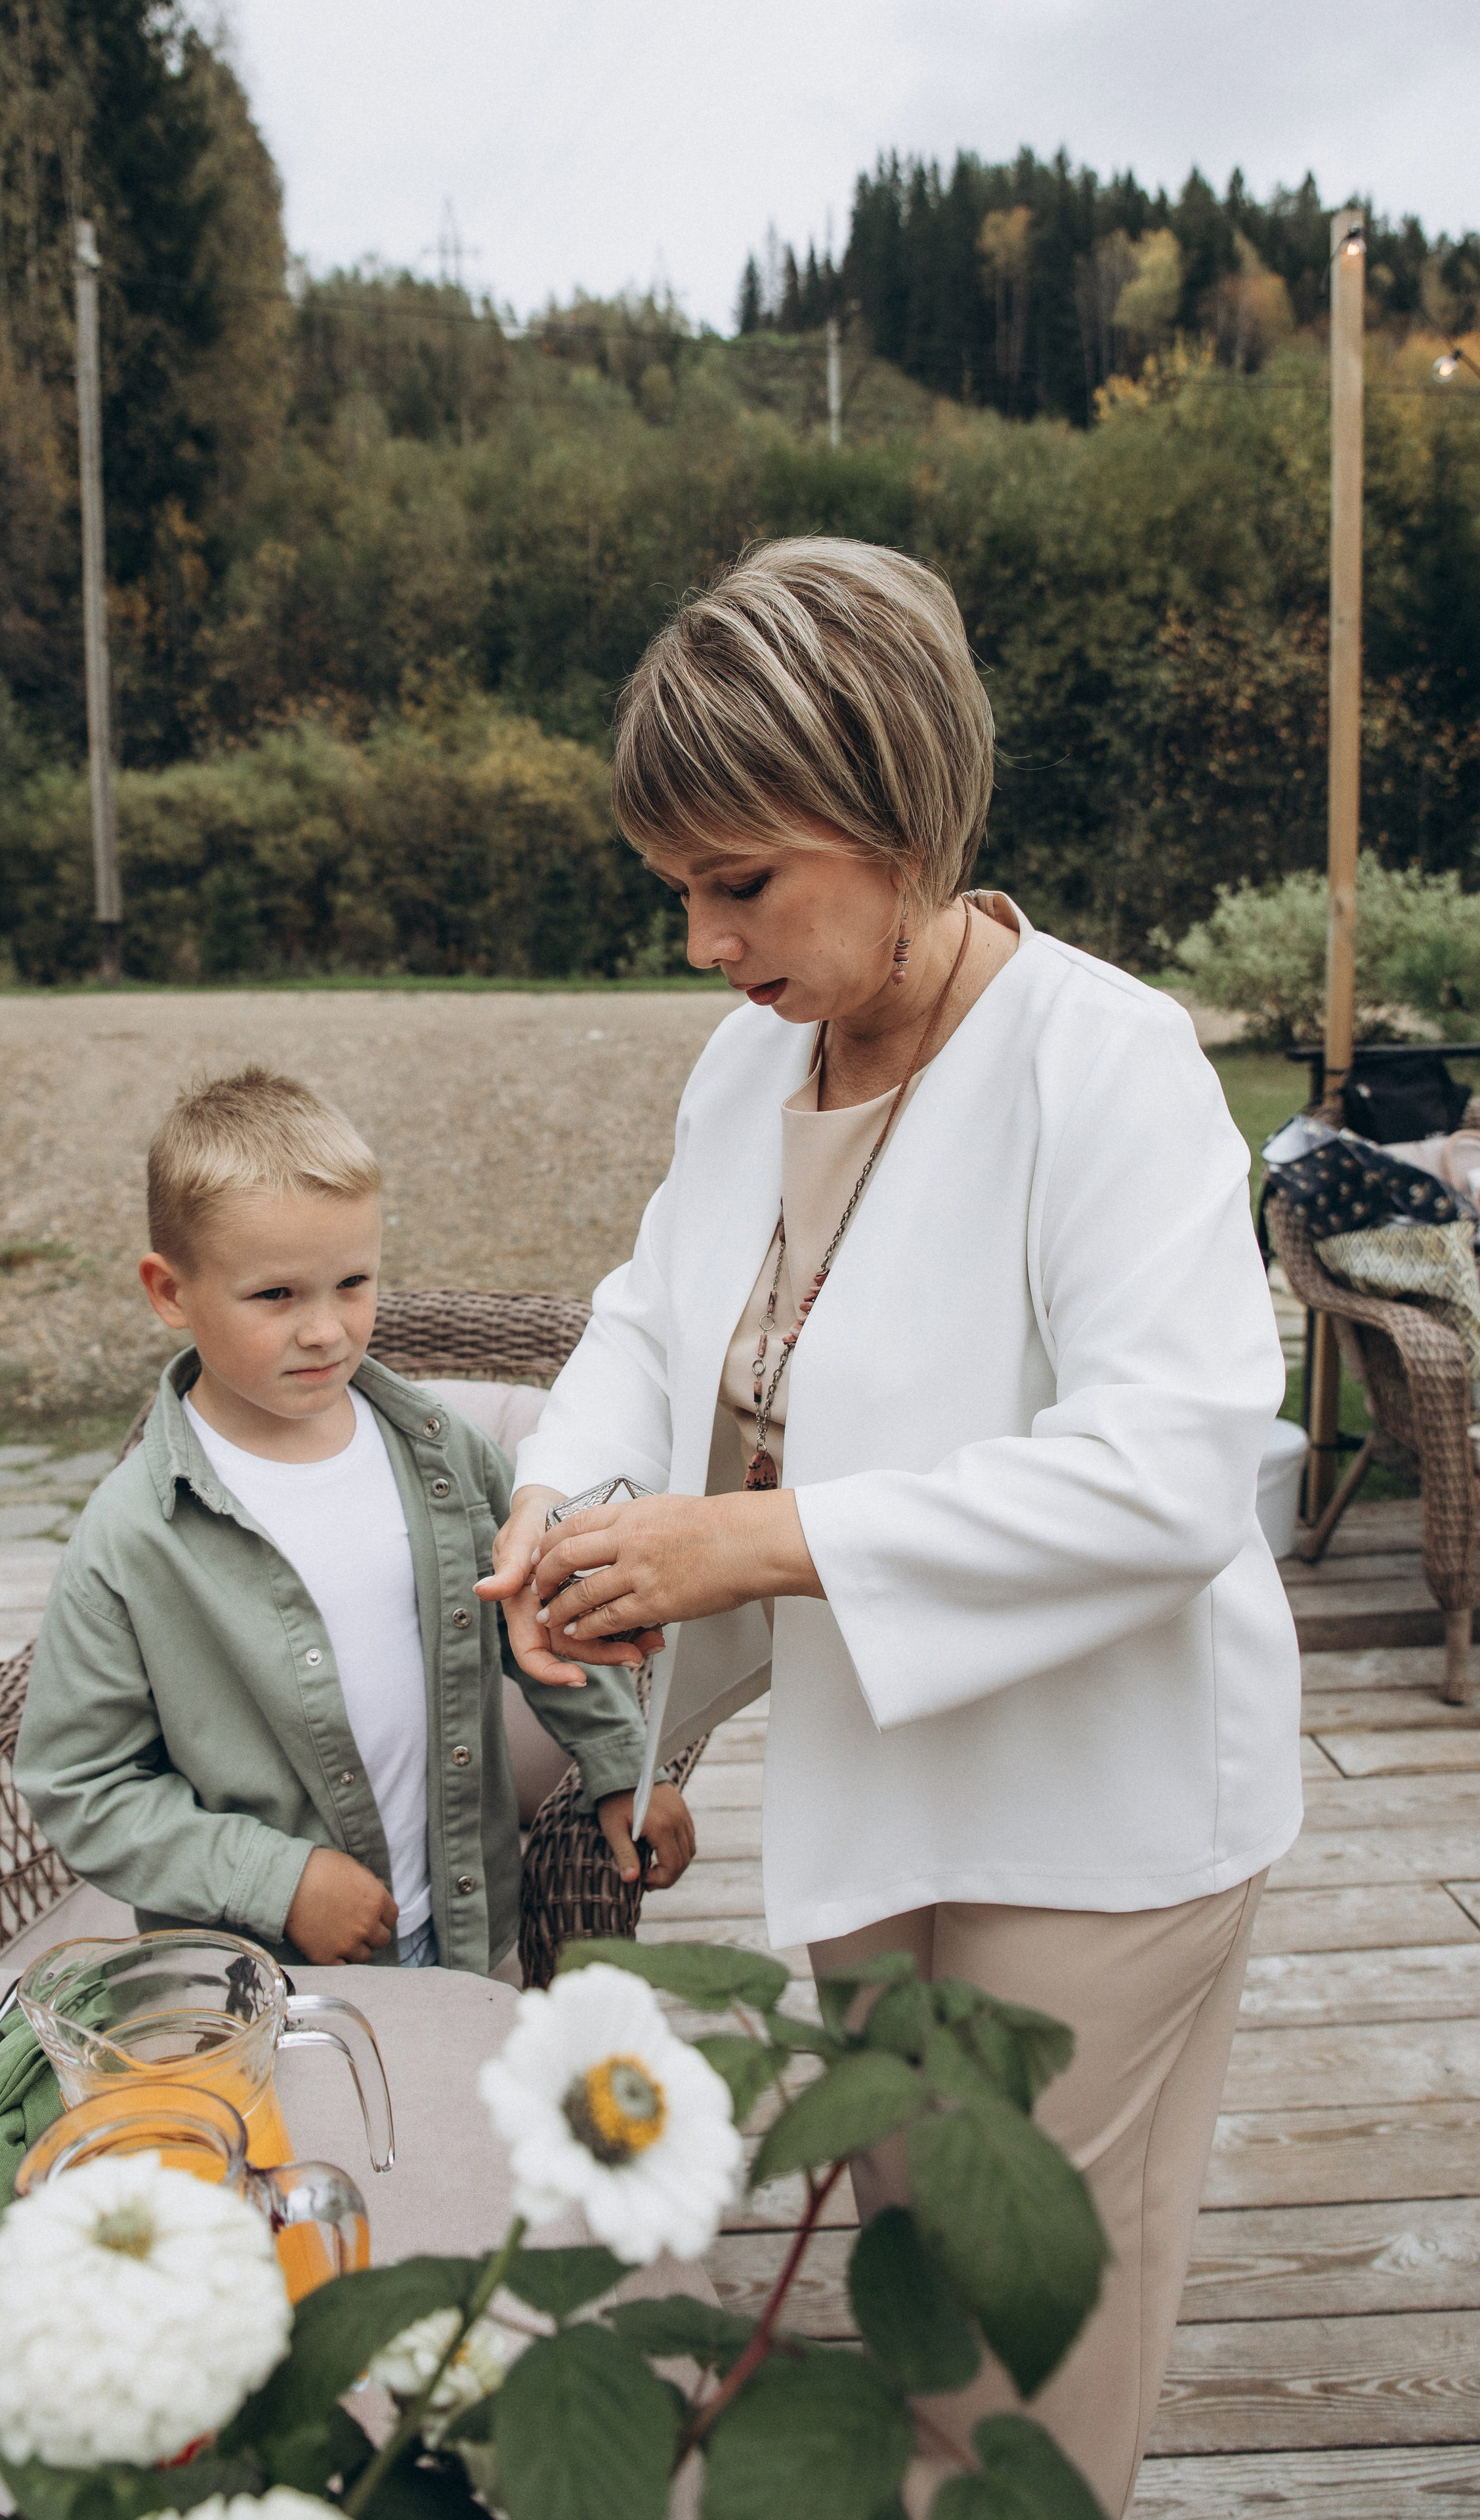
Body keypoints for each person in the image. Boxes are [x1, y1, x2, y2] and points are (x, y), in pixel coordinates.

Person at [480, 539, 1301, 2513]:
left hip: (1099, 1813)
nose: (700, 941)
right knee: (912, 2263)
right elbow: (654, 1311)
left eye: (739, 884)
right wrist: (561, 1502)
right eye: (678, 889)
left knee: (1023, 2363)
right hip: (885, 1777)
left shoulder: (1106, 1065)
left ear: (900, 805)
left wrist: (747, 1550)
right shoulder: (753, 1055)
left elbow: (1177, 1464)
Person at [16, 1067, 692, 1976]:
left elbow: (539, 1616)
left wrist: (617, 1764)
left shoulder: (442, 1457)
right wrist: (276, 1880)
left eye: (352, 1283)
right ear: (170, 1293)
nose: (327, 1329)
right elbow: (80, 1787)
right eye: (277, 1296)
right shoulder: (131, 1536)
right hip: (253, 1977)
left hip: (467, 1929)